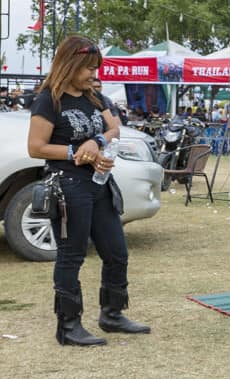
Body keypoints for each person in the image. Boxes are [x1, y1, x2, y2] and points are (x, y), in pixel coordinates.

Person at [27, 35, 150, 346]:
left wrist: (97, 143)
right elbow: (35, 147)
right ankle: (68, 326)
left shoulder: (96, 98)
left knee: (116, 252)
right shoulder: (48, 100)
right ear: (71, 65)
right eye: (88, 69)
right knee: (71, 256)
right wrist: (75, 153)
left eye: (96, 68)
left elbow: (113, 129)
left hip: (100, 185)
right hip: (68, 186)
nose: (94, 75)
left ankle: (112, 314)